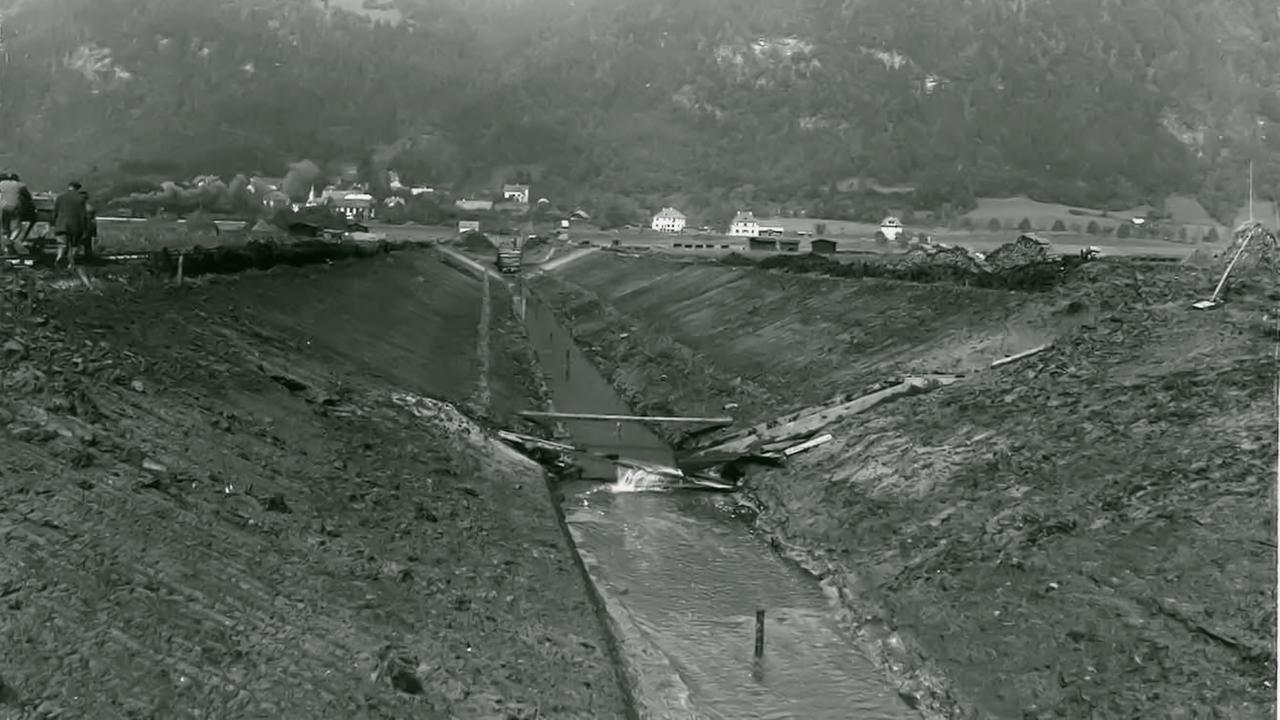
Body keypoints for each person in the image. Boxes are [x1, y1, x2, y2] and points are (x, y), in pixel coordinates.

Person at [53, 181, 89, 268]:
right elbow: (83, 215)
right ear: (78, 188)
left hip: (61, 224)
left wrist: (54, 222)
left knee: (62, 244)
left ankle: (59, 258)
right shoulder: (80, 198)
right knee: (74, 245)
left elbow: (55, 212)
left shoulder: (60, 197)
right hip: (75, 226)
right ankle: (71, 263)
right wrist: (85, 228)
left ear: (69, 187)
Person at [0, 173, 21, 248]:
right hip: (14, 208)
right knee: (17, 228)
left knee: (5, 227)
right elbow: (27, 196)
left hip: (3, 207)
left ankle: (6, 243)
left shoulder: (1, 184)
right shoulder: (19, 185)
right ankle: (10, 241)